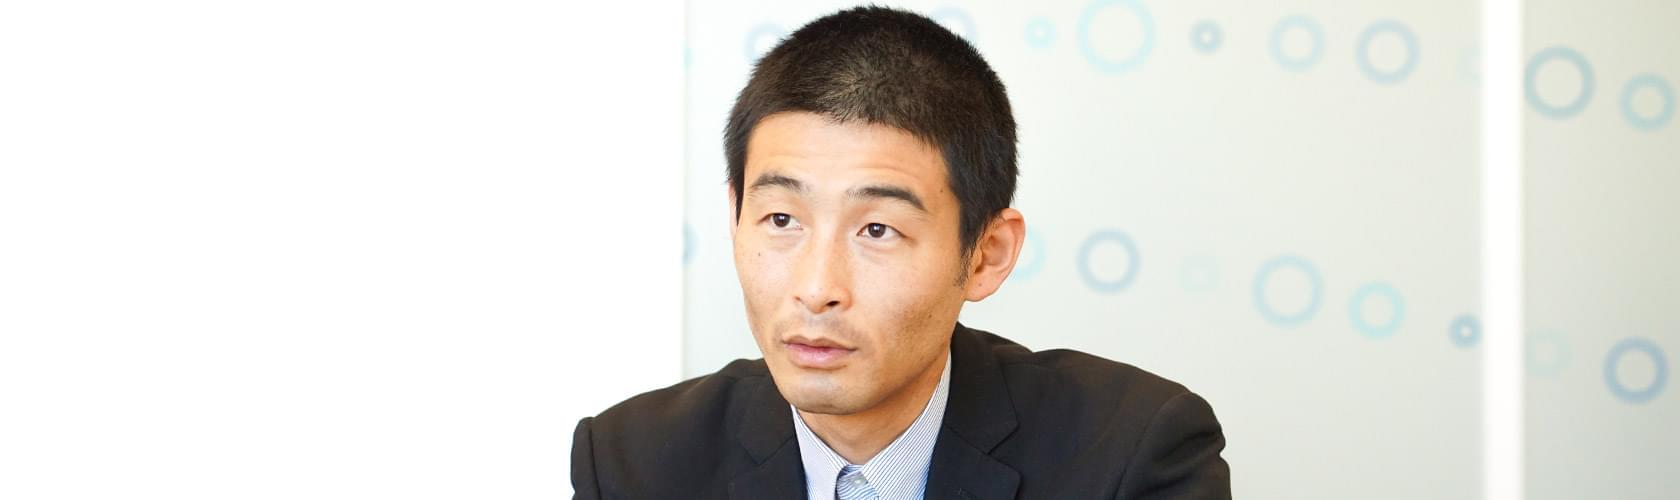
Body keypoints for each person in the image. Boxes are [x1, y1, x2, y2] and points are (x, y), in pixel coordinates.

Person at [571, 6, 1229, 499]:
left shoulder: (1130, 456)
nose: (816, 288)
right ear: (735, 218)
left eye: (877, 230)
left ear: (986, 254)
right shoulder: (633, 463)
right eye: (781, 219)